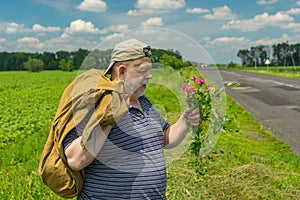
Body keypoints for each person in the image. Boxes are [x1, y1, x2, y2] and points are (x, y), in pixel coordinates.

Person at [62, 39, 202, 199]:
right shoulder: (95, 103)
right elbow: (75, 159)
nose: (150, 76)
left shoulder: (144, 102)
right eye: (143, 71)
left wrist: (185, 120)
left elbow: (163, 139)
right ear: (122, 72)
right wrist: (110, 116)